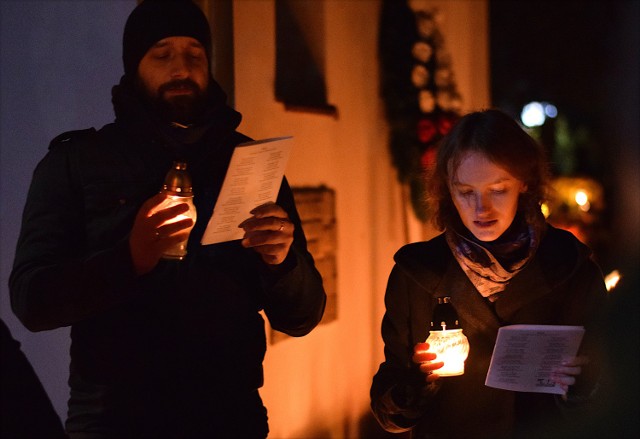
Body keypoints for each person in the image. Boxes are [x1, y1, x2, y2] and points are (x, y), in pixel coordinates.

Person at [9, 1, 326, 438]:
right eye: (162, 54)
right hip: (115, 422)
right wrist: (130, 259)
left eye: (195, 54)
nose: (182, 67)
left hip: (230, 419)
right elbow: (31, 300)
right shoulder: (77, 163)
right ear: (133, 67)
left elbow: (303, 316)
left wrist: (282, 263)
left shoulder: (249, 163)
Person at [370, 109, 609, 438]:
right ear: (448, 191)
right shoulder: (418, 274)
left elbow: (616, 391)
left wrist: (585, 384)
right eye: (466, 192)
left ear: (524, 183)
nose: (481, 209)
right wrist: (413, 385)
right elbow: (390, 412)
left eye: (498, 190)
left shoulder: (570, 268)